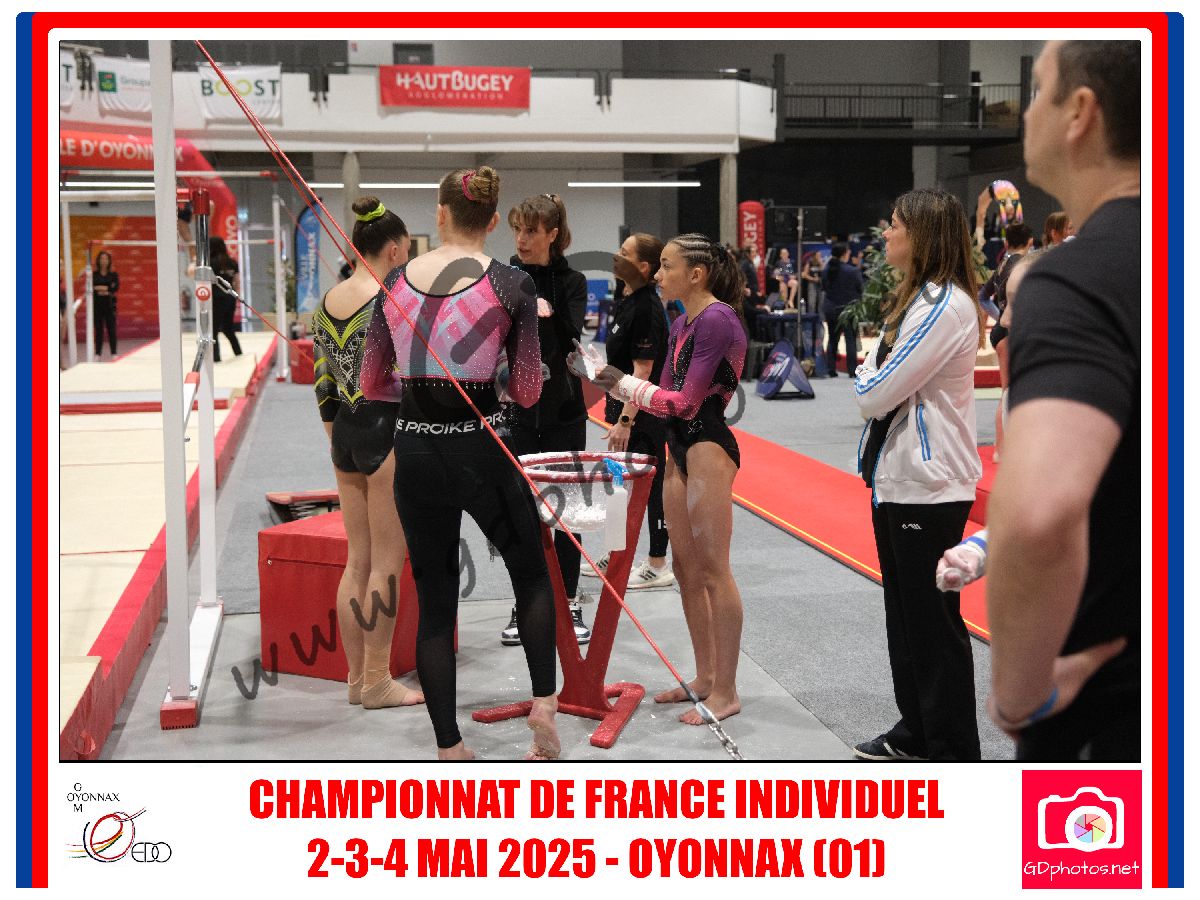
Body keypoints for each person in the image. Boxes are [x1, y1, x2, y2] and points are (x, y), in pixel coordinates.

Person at [361, 166, 559, 761]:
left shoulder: (394, 281)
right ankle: (543, 704)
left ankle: (449, 745)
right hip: (482, 448)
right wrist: (490, 379)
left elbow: (372, 383)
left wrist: (417, 389)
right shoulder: (511, 284)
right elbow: (528, 391)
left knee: (436, 598)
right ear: (494, 221)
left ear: (440, 214)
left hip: (417, 451)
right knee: (530, 576)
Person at [986, 40, 1140, 761]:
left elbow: (1040, 515)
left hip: (1115, 716)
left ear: (1080, 112)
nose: (1025, 115)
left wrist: (1019, 693)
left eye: (1037, 90)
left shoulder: (1079, 278)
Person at [570, 233, 747, 725]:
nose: (659, 274)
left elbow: (685, 402)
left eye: (667, 266)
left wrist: (616, 380)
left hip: (708, 444)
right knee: (686, 571)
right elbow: (663, 392)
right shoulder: (683, 321)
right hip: (678, 447)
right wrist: (610, 381)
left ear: (696, 274)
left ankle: (727, 690)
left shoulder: (717, 319)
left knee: (713, 570)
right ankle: (705, 676)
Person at [852, 189, 985, 762]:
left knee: (932, 626)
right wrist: (874, 372)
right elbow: (882, 378)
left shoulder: (941, 307)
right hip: (902, 479)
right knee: (907, 621)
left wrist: (866, 374)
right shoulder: (920, 300)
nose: (886, 233)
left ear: (922, 234)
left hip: (928, 487)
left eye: (895, 224)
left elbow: (875, 393)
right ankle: (918, 733)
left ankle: (952, 750)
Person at [312, 196, 424, 712]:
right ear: (394, 250)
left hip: (345, 434)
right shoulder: (393, 300)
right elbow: (413, 378)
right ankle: (378, 679)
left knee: (356, 560)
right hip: (385, 431)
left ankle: (357, 677)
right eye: (406, 252)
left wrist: (337, 437)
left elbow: (323, 382)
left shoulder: (328, 300)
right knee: (386, 564)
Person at [500, 193, 591, 647]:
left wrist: (543, 309)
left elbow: (572, 332)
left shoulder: (573, 281)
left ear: (552, 234)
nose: (522, 238)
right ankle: (526, 602)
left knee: (566, 512)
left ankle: (569, 600)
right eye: (518, 229)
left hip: (563, 412)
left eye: (531, 231)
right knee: (521, 514)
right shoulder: (504, 276)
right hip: (517, 413)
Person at [586, 231, 674, 590]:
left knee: (649, 486)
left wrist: (625, 420)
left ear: (643, 267)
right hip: (620, 405)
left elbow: (643, 372)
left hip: (642, 412)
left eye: (625, 253)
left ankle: (657, 563)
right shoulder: (625, 299)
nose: (616, 257)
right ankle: (616, 552)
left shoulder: (647, 308)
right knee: (618, 483)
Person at [821, 241, 863, 377]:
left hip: (830, 307)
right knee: (850, 339)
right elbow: (860, 289)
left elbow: (824, 287)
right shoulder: (852, 271)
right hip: (848, 309)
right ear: (844, 254)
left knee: (832, 338)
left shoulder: (826, 270)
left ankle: (831, 369)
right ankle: (852, 370)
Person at [209, 237, 244, 363]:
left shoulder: (210, 263)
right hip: (230, 298)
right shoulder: (232, 262)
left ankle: (216, 358)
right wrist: (237, 297)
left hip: (216, 299)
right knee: (228, 328)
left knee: (213, 330)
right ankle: (238, 352)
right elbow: (237, 281)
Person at [91, 251, 119, 357]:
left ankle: (114, 353)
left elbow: (115, 288)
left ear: (109, 261)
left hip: (109, 305)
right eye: (102, 258)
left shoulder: (113, 275)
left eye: (106, 259)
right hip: (97, 305)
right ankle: (97, 354)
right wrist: (107, 288)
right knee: (98, 330)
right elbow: (92, 288)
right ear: (98, 260)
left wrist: (102, 288)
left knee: (111, 329)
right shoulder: (94, 275)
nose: (104, 261)